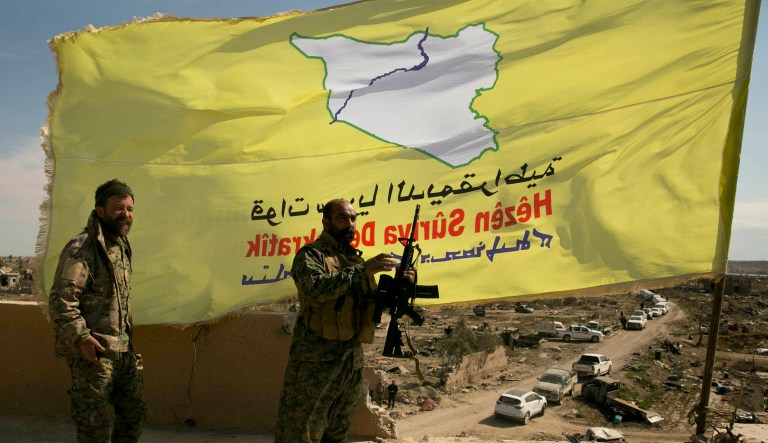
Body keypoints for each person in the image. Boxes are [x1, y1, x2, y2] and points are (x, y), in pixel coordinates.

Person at [274, 199, 415, 443]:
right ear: (326, 221)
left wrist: (402, 286)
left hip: (350, 363)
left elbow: (372, 306)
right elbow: (315, 290)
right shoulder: (311, 255)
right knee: (300, 432)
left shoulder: (355, 261)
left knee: (337, 433)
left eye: (353, 218)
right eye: (342, 218)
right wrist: (363, 270)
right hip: (315, 364)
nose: (350, 224)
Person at [48, 179, 147, 443]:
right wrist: (81, 339)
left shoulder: (121, 245)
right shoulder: (82, 247)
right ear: (100, 211)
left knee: (135, 415)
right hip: (94, 354)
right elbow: (61, 300)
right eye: (118, 208)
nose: (126, 214)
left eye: (129, 209)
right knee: (94, 428)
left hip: (123, 352)